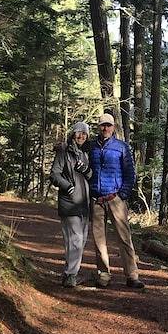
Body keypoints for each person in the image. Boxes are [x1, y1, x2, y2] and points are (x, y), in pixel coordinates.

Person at [89, 113, 144, 289]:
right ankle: (103, 274)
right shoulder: (91, 147)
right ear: (99, 127)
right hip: (97, 200)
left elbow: (130, 174)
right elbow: (75, 150)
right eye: (103, 125)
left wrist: (123, 194)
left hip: (116, 199)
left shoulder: (121, 147)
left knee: (124, 237)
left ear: (113, 127)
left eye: (109, 125)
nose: (105, 128)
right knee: (99, 240)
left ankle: (132, 275)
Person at [49, 121, 93, 288]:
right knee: (75, 240)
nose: (81, 136)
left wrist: (87, 171)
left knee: (78, 242)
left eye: (84, 133)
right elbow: (54, 174)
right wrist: (67, 186)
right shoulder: (64, 152)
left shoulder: (85, 153)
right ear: (73, 134)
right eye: (78, 132)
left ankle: (69, 273)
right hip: (69, 203)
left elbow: (90, 175)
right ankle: (71, 275)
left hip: (84, 203)